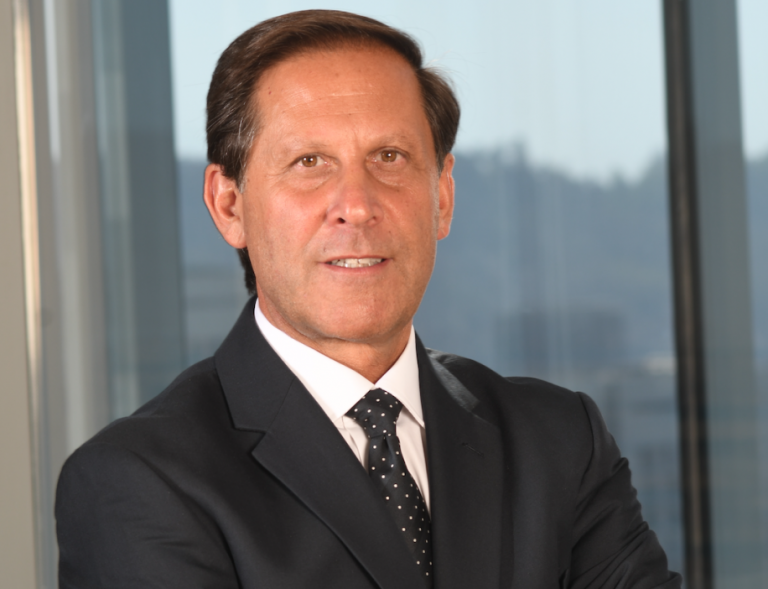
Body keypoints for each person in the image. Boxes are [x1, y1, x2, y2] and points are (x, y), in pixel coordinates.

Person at [56, 9, 682, 588]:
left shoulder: (559, 441)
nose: (356, 205)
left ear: (442, 197)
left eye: (389, 156)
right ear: (229, 205)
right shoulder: (141, 481)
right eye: (309, 162)